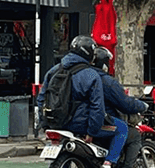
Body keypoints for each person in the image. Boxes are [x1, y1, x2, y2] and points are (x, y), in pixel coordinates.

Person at [37, 35, 126, 168]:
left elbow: (41, 99)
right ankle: (108, 163)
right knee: (122, 128)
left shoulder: (53, 71)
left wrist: (45, 124)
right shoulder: (90, 75)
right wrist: (91, 132)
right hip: (79, 124)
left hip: (55, 123)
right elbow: (97, 108)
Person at [93, 46, 148, 168]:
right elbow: (124, 103)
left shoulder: (81, 76)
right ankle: (113, 163)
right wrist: (141, 106)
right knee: (133, 135)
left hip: (80, 121)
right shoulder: (106, 81)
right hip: (102, 122)